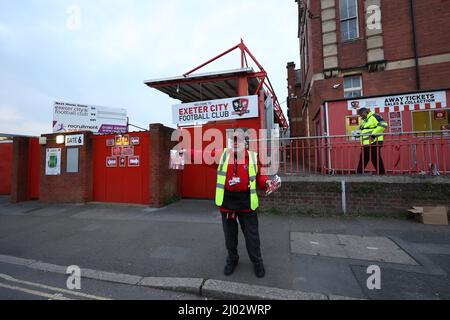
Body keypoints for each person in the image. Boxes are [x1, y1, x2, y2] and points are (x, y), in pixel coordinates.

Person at [214, 135, 272, 278]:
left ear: (244, 144)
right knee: (230, 237)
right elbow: (200, 155)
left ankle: (257, 262)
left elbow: (260, 177)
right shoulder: (222, 156)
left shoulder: (252, 157)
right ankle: (232, 259)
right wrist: (183, 152)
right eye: (232, 141)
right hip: (227, 204)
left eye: (238, 141)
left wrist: (266, 183)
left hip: (247, 204)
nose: (235, 144)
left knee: (252, 237)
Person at [356, 108, 388, 175]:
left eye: (361, 114)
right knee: (363, 158)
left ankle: (381, 173)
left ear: (366, 112)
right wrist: (357, 134)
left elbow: (384, 124)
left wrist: (373, 134)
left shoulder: (374, 116)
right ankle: (359, 173)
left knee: (375, 158)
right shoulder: (364, 120)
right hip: (366, 143)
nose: (361, 116)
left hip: (374, 141)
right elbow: (364, 131)